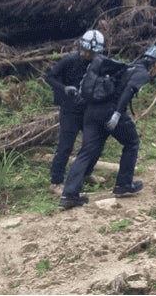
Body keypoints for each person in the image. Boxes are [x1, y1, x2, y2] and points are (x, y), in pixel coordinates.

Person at [59, 44, 156, 209]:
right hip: (110, 112)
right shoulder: (142, 73)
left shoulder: (128, 67)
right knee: (132, 142)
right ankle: (124, 184)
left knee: (86, 152)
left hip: (92, 111)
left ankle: (68, 195)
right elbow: (128, 91)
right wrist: (117, 114)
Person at [44, 30, 106, 196]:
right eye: (87, 52)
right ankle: (56, 182)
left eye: (93, 53)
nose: (89, 55)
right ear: (81, 48)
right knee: (65, 146)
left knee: (95, 143)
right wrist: (64, 88)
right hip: (70, 110)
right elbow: (49, 77)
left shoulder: (99, 62)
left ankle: (87, 173)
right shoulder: (69, 60)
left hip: (89, 109)